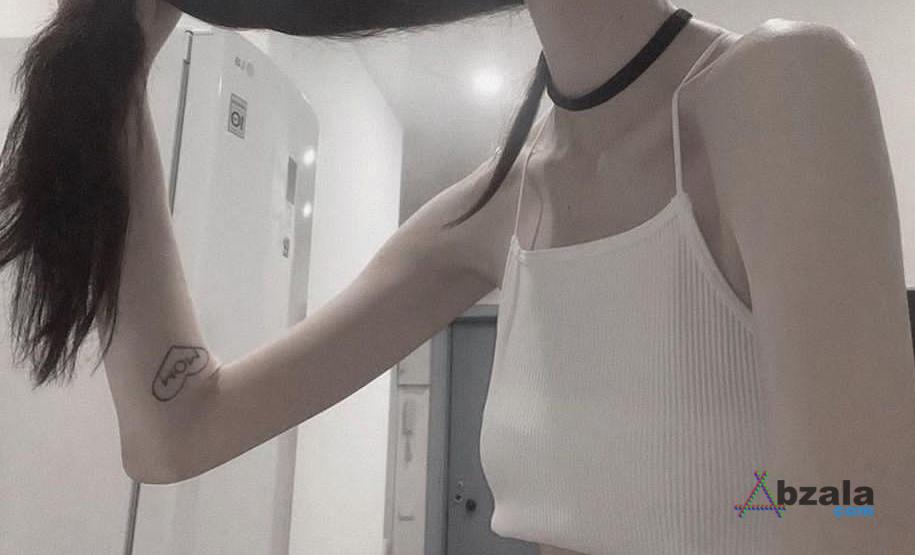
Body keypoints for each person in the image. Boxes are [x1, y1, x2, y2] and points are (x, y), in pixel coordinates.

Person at [3, 0, 914, 554]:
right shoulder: (492, 205)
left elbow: (858, 510)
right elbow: (173, 433)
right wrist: (120, 60)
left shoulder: (781, 85)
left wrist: (750, 496)